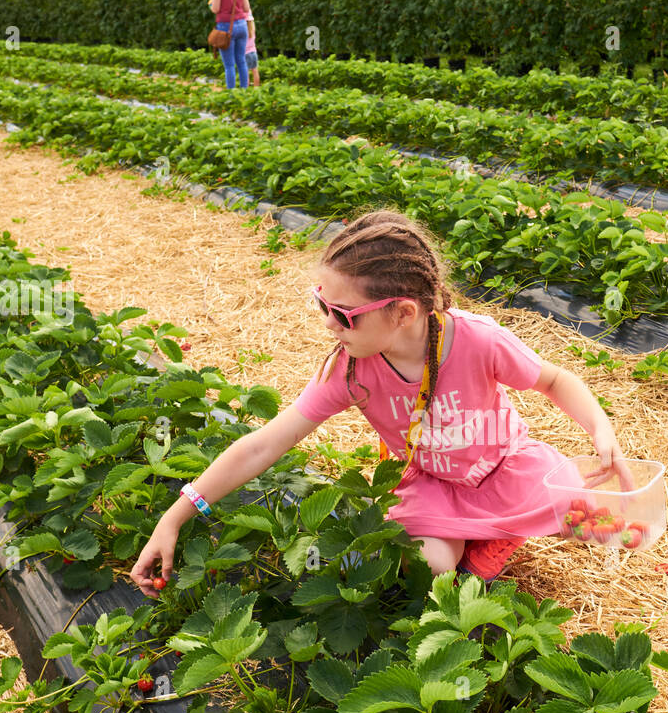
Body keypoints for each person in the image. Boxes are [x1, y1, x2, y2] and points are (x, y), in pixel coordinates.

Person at [129, 209, 631, 595]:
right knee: (432, 565)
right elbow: (263, 447)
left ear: (403, 313)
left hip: (501, 467)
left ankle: (498, 533)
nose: (328, 323)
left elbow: (555, 380)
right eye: (321, 304)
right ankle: (481, 536)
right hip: (432, 481)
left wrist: (600, 430)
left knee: (582, 507)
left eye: (343, 314)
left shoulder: (478, 341)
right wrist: (175, 516)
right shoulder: (351, 372)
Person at [208, 0, 257, 89]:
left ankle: (231, 93)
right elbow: (246, 8)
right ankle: (244, 91)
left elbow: (215, 9)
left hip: (226, 27)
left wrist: (211, 5)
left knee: (229, 65)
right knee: (242, 61)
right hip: (242, 25)